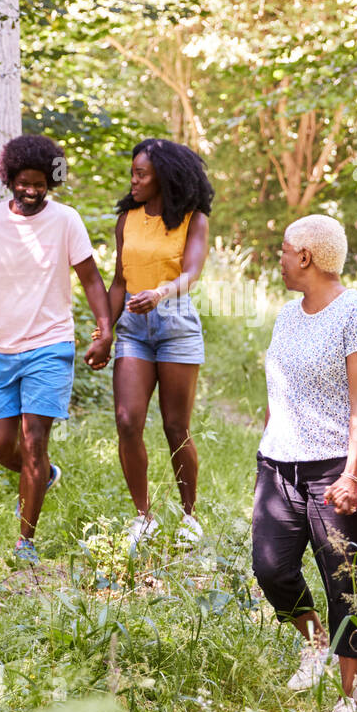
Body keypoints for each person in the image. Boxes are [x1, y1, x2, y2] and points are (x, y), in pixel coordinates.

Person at [0, 135, 112, 565]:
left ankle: (26, 542)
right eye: (24, 182)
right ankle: (44, 477)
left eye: (40, 184)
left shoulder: (66, 221)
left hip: (50, 344)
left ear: (49, 183)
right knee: (0, 446)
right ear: (10, 178)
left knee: (33, 440)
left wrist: (104, 329)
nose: (32, 191)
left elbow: (91, 279)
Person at [250, 214, 357, 712]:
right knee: (271, 568)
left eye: (284, 250)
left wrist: (352, 475)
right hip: (278, 464)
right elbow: (278, 392)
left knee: (344, 583)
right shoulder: (287, 314)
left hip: (334, 468)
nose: (279, 257)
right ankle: (314, 647)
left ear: (305, 256)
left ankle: (352, 695)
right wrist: (266, 450)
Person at [106, 139, 213, 549]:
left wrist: (161, 293)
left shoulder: (193, 218)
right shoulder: (127, 220)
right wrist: (103, 332)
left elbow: (191, 273)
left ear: (164, 177)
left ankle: (189, 516)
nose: (133, 180)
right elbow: (119, 282)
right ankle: (143, 517)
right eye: (132, 172)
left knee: (175, 427)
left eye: (141, 174)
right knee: (128, 420)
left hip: (176, 324)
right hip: (133, 327)